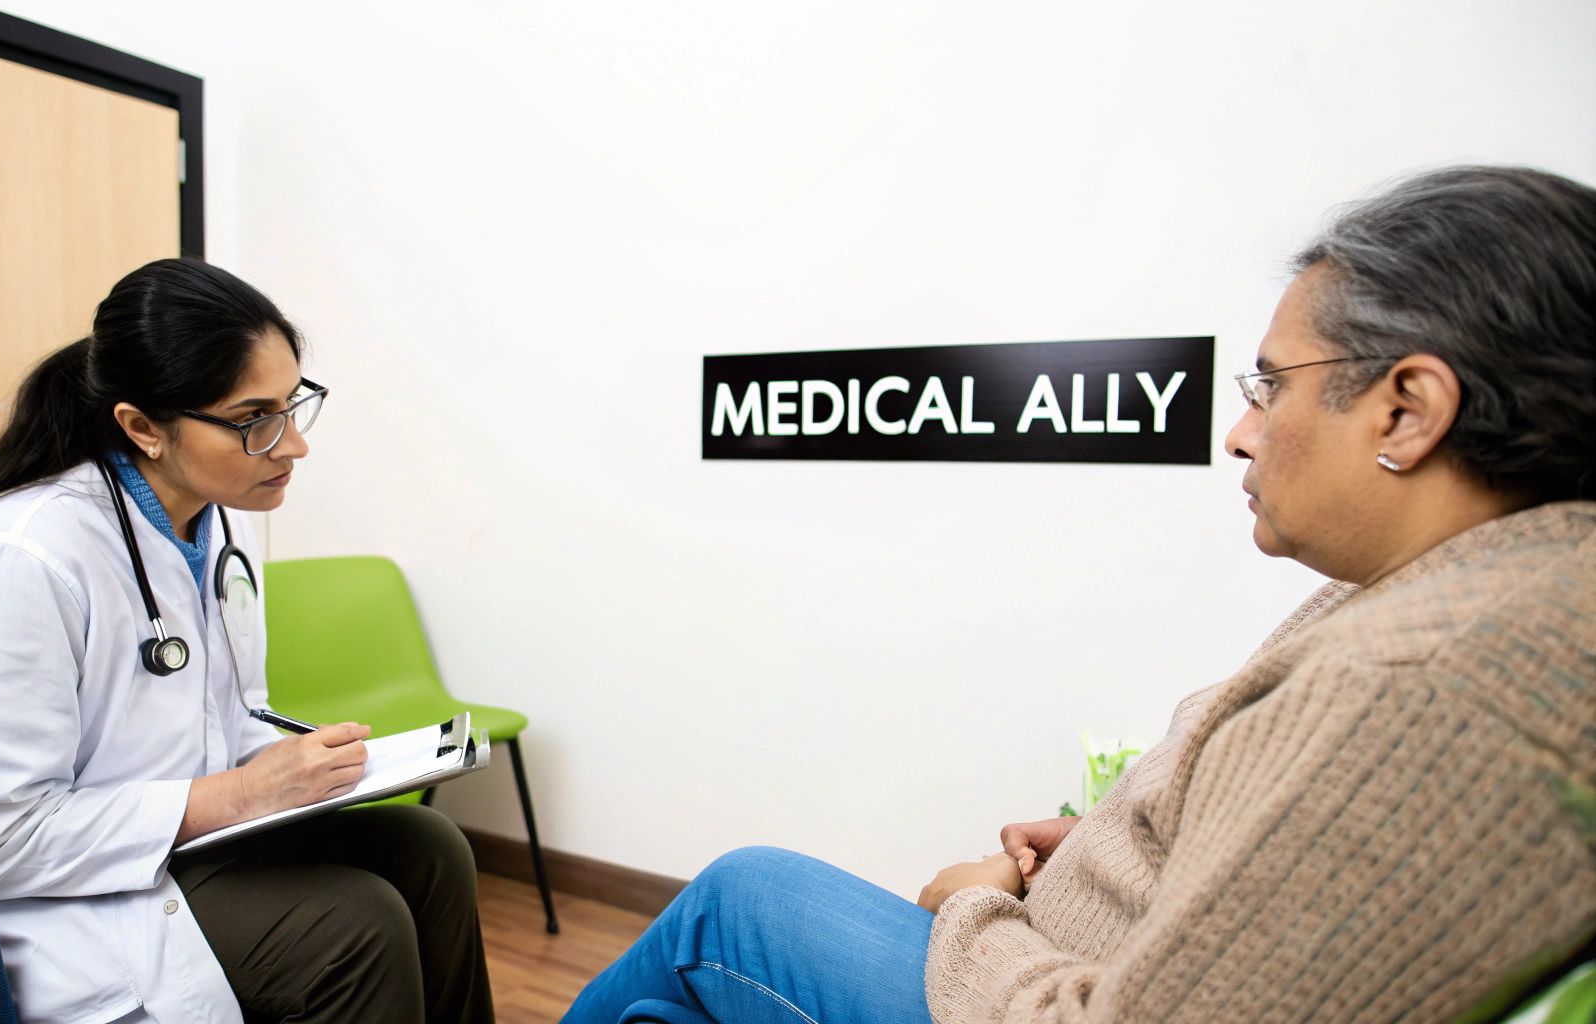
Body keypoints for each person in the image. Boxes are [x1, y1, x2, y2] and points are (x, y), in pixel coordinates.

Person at [562, 165, 1596, 1023]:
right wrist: (1137, 837)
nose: (1238, 431)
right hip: (1072, 941)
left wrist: (974, 910)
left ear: (1406, 409)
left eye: (1268, 386)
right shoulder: (1504, 586)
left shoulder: (1413, 688)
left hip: (1030, 979)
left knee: (732, 905)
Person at [0, 259, 494, 1024]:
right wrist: (243, 793)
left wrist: (313, 769)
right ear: (142, 427)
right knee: (352, 928)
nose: (292, 446)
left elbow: (224, 715)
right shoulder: (16, 563)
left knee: (429, 848)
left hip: (151, 842)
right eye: (253, 420)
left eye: (292, 405)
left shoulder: (214, 525)